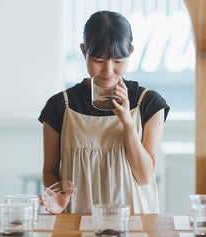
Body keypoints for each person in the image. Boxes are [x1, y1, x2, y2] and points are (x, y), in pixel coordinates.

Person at [38, 10, 170, 214]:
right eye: (98, 60)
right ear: (84, 52)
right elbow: (50, 171)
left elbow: (144, 176)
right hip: (77, 221)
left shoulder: (149, 103)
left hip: (133, 223)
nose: (108, 71)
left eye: (118, 61)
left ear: (131, 52)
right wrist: (55, 196)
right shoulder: (60, 106)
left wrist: (127, 122)